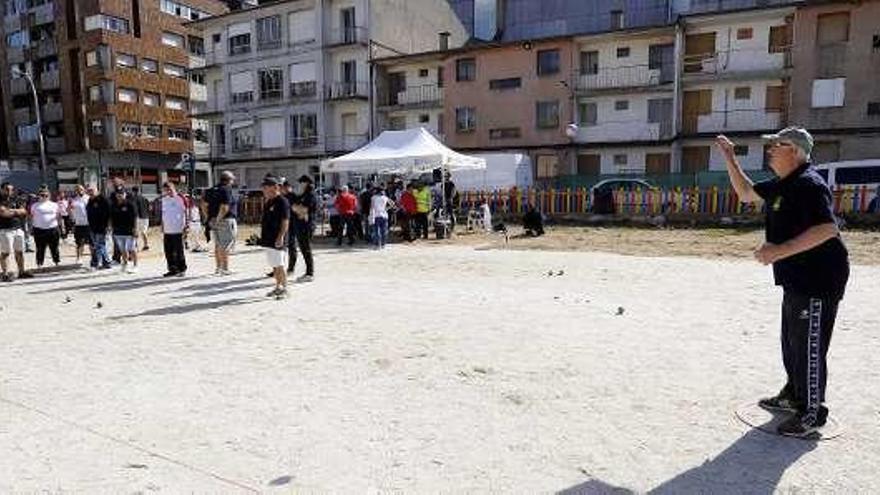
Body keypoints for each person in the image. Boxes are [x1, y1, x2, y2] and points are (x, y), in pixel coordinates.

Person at [717, 127, 849, 438]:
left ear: (796, 151)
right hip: (797, 278)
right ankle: (793, 395)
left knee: (808, 346)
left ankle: (812, 413)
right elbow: (746, 194)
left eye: (778, 145)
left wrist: (779, 250)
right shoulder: (784, 184)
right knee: (792, 341)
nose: (771, 150)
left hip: (819, 279)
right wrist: (729, 159)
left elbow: (828, 229)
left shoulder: (808, 184)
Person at [260, 175, 290, 299]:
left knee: (280, 264)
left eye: (266, 187)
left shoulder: (282, 201)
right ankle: (278, 287)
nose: (263, 189)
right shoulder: (268, 201)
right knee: (274, 264)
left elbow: (285, 221)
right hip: (268, 238)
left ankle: (285, 289)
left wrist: (281, 236)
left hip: (277, 238)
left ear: (274, 187)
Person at [204, 171, 238, 275]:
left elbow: (203, 204)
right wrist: (218, 218)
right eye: (232, 179)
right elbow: (224, 207)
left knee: (218, 244)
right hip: (225, 220)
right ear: (229, 180)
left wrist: (209, 217)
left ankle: (218, 268)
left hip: (214, 220)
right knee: (226, 244)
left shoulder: (211, 190)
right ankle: (225, 268)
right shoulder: (226, 189)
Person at [0, 182, 33, 281]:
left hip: (18, 229)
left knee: (19, 252)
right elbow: (3, 213)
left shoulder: (16, 199)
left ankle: (21, 271)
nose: (9, 191)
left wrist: (10, 211)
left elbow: (24, 212)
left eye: (11, 189)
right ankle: (5, 274)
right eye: (7, 189)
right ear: (2, 189)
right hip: (5, 230)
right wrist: (16, 211)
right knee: (6, 253)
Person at [289, 175, 316, 281]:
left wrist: (295, 207)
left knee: (306, 249)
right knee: (303, 249)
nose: (300, 184)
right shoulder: (303, 195)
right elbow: (297, 207)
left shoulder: (310, 195)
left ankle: (310, 273)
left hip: (306, 225)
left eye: (301, 182)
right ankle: (308, 272)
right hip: (300, 224)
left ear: (306, 183)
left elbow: (303, 210)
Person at [29, 186, 62, 268]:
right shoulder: (35, 205)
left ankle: (56, 262)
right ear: (39, 196)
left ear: (49, 196)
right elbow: (31, 216)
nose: (44, 197)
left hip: (53, 229)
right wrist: (31, 227)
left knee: (54, 247)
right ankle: (39, 263)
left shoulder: (54, 205)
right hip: (39, 230)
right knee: (40, 248)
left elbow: (58, 216)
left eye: (46, 195)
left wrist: (62, 226)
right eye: (42, 195)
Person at [160, 182, 188, 277]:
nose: (168, 191)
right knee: (168, 251)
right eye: (166, 190)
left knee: (179, 250)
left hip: (178, 229)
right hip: (167, 230)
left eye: (170, 189)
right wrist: (162, 225)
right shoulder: (164, 200)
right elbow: (163, 214)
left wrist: (186, 226)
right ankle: (172, 269)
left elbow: (186, 212)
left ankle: (182, 268)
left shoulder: (180, 198)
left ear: (173, 188)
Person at [110, 187, 139, 273]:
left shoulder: (130, 204)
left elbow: (135, 217)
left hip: (130, 231)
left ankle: (135, 265)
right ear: (116, 195)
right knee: (122, 249)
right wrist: (111, 227)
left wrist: (135, 228)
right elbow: (111, 218)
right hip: (118, 231)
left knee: (132, 248)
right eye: (118, 194)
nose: (120, 196)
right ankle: (125, 264)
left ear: (125, 195)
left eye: (122, 194)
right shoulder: (114, 205)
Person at [86, 184, 112, 270]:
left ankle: (96, 263)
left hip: (102, 226)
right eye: (89, 190)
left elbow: (109, 213)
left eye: (92, 190)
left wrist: (108, 225)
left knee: (99, 245)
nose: (90, 192)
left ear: (97, 190)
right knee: (100, 245)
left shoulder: (103, 199)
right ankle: (106, 262)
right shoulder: (90, 200)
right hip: (92, 226)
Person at [69, 184, 91, 264]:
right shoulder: (74, 200)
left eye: (81, 189)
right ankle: (79, 257)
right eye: (77, 190)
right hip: (78, 224)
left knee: (91, 242)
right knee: (79, 242)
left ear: (84, 190)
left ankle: (93, 258)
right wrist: (72, 217)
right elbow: (70, 209)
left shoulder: (88, 198)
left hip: (88, 223)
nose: (79, 191)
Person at [131, 186, 151, 251]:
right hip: (146, 217)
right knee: (144, 232)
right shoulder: (145, 198)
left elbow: (134, 209)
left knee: (136, 232)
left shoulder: (134, 199)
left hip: (138, 217)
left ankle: (136, 247)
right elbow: (150, 208)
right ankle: (146, 245)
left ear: (133, 191)